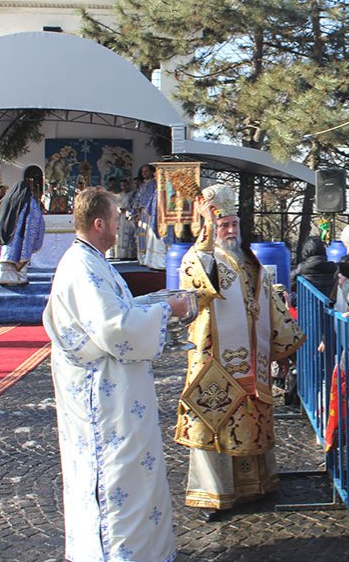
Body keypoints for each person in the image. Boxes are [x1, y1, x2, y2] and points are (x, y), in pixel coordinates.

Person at [43, 186, 192, 562]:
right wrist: (166, 312)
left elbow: (115, 311)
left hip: (117, 390)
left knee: (135, 470)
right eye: (115, 217)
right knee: (117, 474)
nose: (120, 222)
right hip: (103, 398)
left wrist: (153, 301)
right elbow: (114, 328)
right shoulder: (81, 266)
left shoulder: (92, 261)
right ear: (98, 223)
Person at [174, 183, 305, 519]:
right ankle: (213, 494)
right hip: (214, 359)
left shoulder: (248, 260)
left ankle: (254, 487)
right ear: (210, 229)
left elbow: (266, 302)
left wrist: (283, 344)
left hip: (252, 359)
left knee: (250, 419)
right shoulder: (198, 256)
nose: (230, 230)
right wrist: (205, 229)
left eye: (234, 224)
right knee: (213, 421)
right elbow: (197, 288)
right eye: (223, 225)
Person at [0, 179, 46, 285]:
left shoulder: (2, 202)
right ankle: (17, 279)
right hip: (18, 239)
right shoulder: (29, 202)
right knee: (17, 256)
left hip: (1, 238)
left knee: (1, 257)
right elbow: (36, 220)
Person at [114, 178, 137, 259]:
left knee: (129, 237)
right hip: (121, 218)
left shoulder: (133, 194)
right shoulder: (119, 195)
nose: (123, 187)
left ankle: (130, 255)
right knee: (120, 237)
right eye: (122, 185)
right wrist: (119, 209)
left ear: (128, 185)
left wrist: (127, 210)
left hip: (129, 218)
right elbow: (116, 206)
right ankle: (121, 255)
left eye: (125, 185)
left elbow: (134, 206)